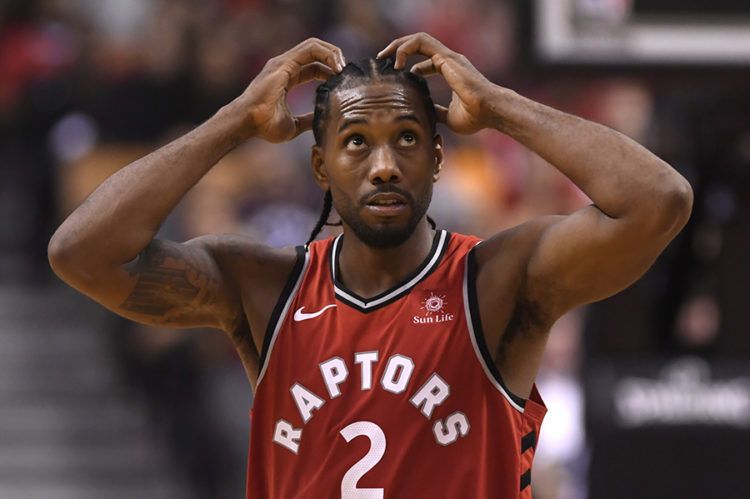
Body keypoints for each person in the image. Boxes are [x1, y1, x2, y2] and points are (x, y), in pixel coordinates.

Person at [48, 33, 692, 498]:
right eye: (356, 142)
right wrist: (233, 120)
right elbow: (80, 253)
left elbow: (658, 201)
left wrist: (498, 106)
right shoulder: (264, 285)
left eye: (407, 139)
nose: (384, 164)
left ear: (438, 158)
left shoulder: (496, 280)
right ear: (320, 166)